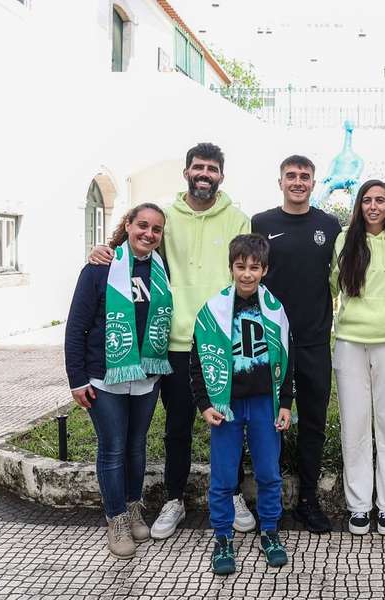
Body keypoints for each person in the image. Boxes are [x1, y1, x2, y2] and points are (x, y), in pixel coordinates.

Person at [88, 143, 255, 539]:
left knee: (228, 423)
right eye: (198, 167)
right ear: (186, 173)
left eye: (212, 168)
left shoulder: (239, 219)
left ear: (221, 176)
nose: (204, 174)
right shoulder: (168, 218)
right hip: (174, 343)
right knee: (177, 427)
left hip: (221, 342)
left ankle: (230, 494)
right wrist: (105, 250)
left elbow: (247, 277)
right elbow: (136, 248)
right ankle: (174, 499)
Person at [65, 203, 173, 559]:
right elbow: (77, 326)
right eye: (142, 225)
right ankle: (116, 520)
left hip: (146, 375)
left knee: (137, 445)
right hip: (104, 375)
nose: (148, 234)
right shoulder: (99, 268)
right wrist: (77, 379)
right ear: (128, 225)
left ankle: (133, 506)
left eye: (156, 229)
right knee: (112, 447)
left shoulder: (161, 268)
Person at [190, 234, 294, 573]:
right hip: (227, 404)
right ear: (231, 268)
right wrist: (205, 403)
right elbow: (197, 361)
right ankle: (222, 537)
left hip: (265, 402)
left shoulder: (276, 310)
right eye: (240, 267)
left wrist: (286, 404)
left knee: (268, 472)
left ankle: (270, 531)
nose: (247, 274)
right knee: (222, 476)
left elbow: (288, 361)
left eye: (254, 267)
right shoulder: (213, 310)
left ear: (264, 269)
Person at [251, 155, 341, 533]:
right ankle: (265, 500)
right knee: (264, 422)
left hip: (314, 341)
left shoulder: (329, 225)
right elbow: (248, 272)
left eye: (305, 176)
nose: (298, 182)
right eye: (292, 176)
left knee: (314, 423)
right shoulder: (262, 223)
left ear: (314, 182)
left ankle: (308, 499)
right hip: (270, 343)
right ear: (281, 181)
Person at [330, 179, 385, 536]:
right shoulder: (345, 238)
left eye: (380, 200)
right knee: (355, 424)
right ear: (359, 205)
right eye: (367, 200)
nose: (373, 206)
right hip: (349, 341)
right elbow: (333, 285)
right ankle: (359, 505)